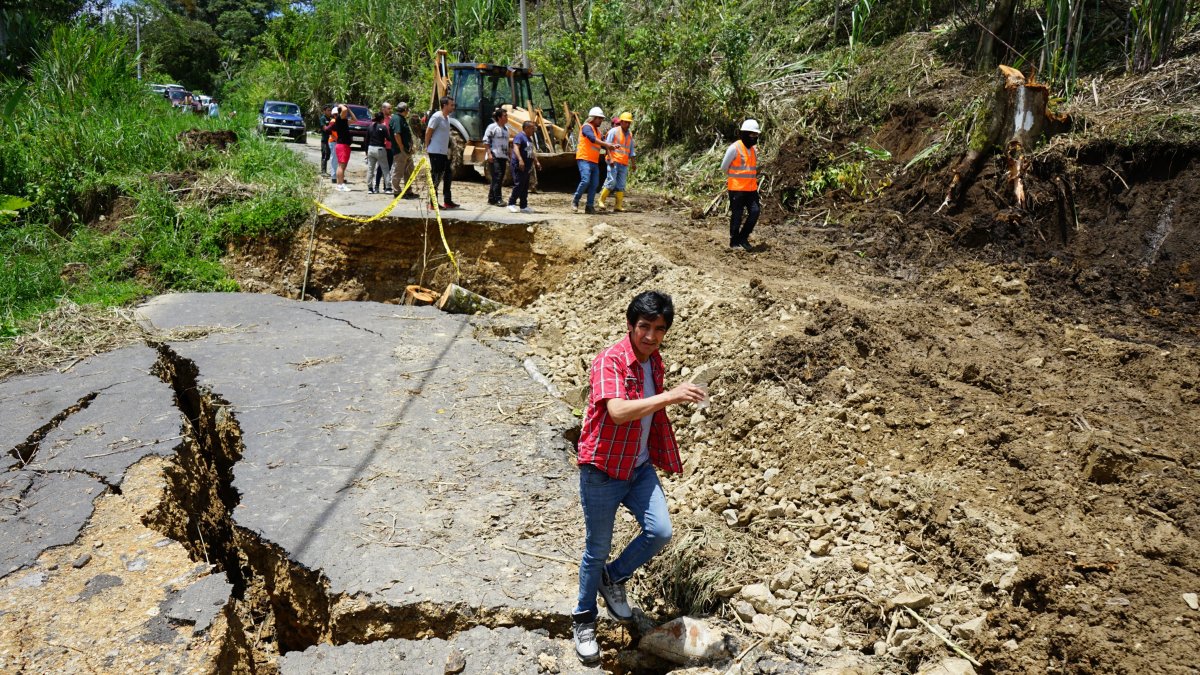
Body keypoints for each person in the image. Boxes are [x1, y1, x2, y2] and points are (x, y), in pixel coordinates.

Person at [570, 291, 706, 665]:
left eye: (658, 329)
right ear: (630, 326)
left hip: (638, 466)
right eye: (644, 327)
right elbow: (616, 412)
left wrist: (667, 397)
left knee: (660, 531)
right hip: (603, 469)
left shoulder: (654, 362)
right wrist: (670, 397)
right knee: (596, 548)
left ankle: (612, 578)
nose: (650, 336)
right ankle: (583, 620)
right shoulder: (609, 361)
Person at [722, 119, 761, 251]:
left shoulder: (754, 150)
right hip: (737, 189)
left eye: (756, 135)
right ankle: (734, 242)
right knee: (737, 215)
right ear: (744, 134)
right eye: (752, 135)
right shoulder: (734, 148)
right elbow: (724, 167)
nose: (754, 138)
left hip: (751, 189)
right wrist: (736, 178)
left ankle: (743, 238)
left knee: (755, 212)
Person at [425, 96, 468, 210]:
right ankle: (433, 203)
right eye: (451, 105)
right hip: (435, 152)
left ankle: (447, 201)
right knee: (436, 177)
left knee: (448, 175)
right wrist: (427, 146)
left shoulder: (447, 118)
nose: (453, 107)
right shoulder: (437, 116)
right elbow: (428, 131)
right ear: (445, 105)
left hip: (443, 152)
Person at [572, 107, 614, 214]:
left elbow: (604, 145)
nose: (601, 121)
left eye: (601, 119)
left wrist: (612, 146)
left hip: (594, 161)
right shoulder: (586, 127)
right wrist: (607, 144)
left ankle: (589, 206)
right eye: (599, 118)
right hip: (584, 158)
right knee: (585, 180)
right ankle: (575, 201)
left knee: (594, 184)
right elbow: (591, 138)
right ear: (593, 118)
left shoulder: (598, 132)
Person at [598, 112, 635, 213]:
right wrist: (611, 159)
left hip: (623, 162)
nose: (628, 124)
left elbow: (631, 150)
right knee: (612, 181)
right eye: (626, 122)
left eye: (629, 123)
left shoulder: (630, 134)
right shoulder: (613, 131)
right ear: (621, 122)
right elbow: (607, 146)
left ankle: (618, 205)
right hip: (613, 161)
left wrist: (633, 163)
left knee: (621, 184)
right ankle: (601, 200)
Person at [508, 120, 541, 214]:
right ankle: (511, 203)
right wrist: (520, 160)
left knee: (525, 186)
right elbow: (515, 148)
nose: (533, 130)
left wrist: (536, 162)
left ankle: (523, 206)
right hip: (519, 165)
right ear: (526, 128)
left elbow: (530, 152)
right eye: (532, 128)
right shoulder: (520, 137)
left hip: (527, 166)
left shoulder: (529, 139)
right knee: (518, 184)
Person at [483, 108, 511, 206]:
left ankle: (491, 199)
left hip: (503, 156)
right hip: (494, 155)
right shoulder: (492, 127)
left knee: (498, 178)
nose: (507, 117)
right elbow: (486, 141)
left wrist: (509, 155)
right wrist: (489, 154)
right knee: (497, 177)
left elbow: (507, 143)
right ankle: (498, 199)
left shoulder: (506, 129)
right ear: (499, 117)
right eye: (505, 116)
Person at [389, 102, 418, 199]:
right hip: (400, 151)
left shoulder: (402, 119)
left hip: (407, 151)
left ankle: (408, 190)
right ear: (405, 110)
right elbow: (396, 134)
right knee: (398, 171)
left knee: (409, 170)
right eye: (407, 110)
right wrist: (401, 147)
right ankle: (397, 191)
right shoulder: (397, 119)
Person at [365, 111, 394, 194]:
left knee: (370, 169)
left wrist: (366, 151)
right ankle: (388, 187)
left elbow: (366, 140)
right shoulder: (383, 127)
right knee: (385, 168)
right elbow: (388, 138)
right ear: (382, 119)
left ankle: (370, 188)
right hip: (380, 149)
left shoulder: (370, 127)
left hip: (370, 148)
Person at [331, 105, 354, 192]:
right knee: (341, 166)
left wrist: (350, 110)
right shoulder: (339, 119)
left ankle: (339, 184)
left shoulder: (344, 121)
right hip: (342, 145)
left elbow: (355, 120)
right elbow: (343, 109)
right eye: (345, 112)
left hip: (345, 145)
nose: (346, 112)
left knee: (342, 166)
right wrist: (340, 105)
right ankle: (340, 184)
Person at [319, 105, 333, 177]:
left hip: (331, 140)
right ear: (324, 111)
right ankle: (323, 171)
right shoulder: (323, 119)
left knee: (328, 154)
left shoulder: (331, 118)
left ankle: (325, 170)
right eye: (328, 110)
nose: (330, 112)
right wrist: (331, 126)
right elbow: (325, 129)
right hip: (325, 139)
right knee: (324, 154)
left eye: (330, 110)